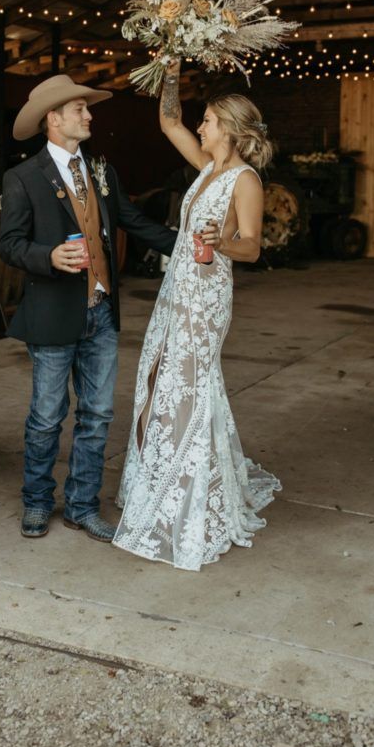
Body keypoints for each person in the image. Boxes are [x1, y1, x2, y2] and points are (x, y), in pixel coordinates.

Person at [113, 60, 281, 571]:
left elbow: (253, 247)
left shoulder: (245, 181)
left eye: (207, 119)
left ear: (228, 129)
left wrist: (220, 241)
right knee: (155, 382)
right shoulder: (208, 168)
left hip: (207, 298)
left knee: (184, 391)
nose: (200, 126)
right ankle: (158, 482)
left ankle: (182, 502)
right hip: (176, 290)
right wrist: (170, 66)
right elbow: (168, 122)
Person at [0, 74, 177, 543]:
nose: (90, 115)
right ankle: (37, 503)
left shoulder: (102, 170)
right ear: (53, 119)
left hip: (101, 314)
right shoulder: (22, 177)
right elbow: (9, 245)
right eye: (81, 109)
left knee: (97, 416)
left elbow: (133, 221)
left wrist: (186, 245)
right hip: (53, 314)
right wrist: (48, 257)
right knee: (46, 417)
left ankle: (82, 506)